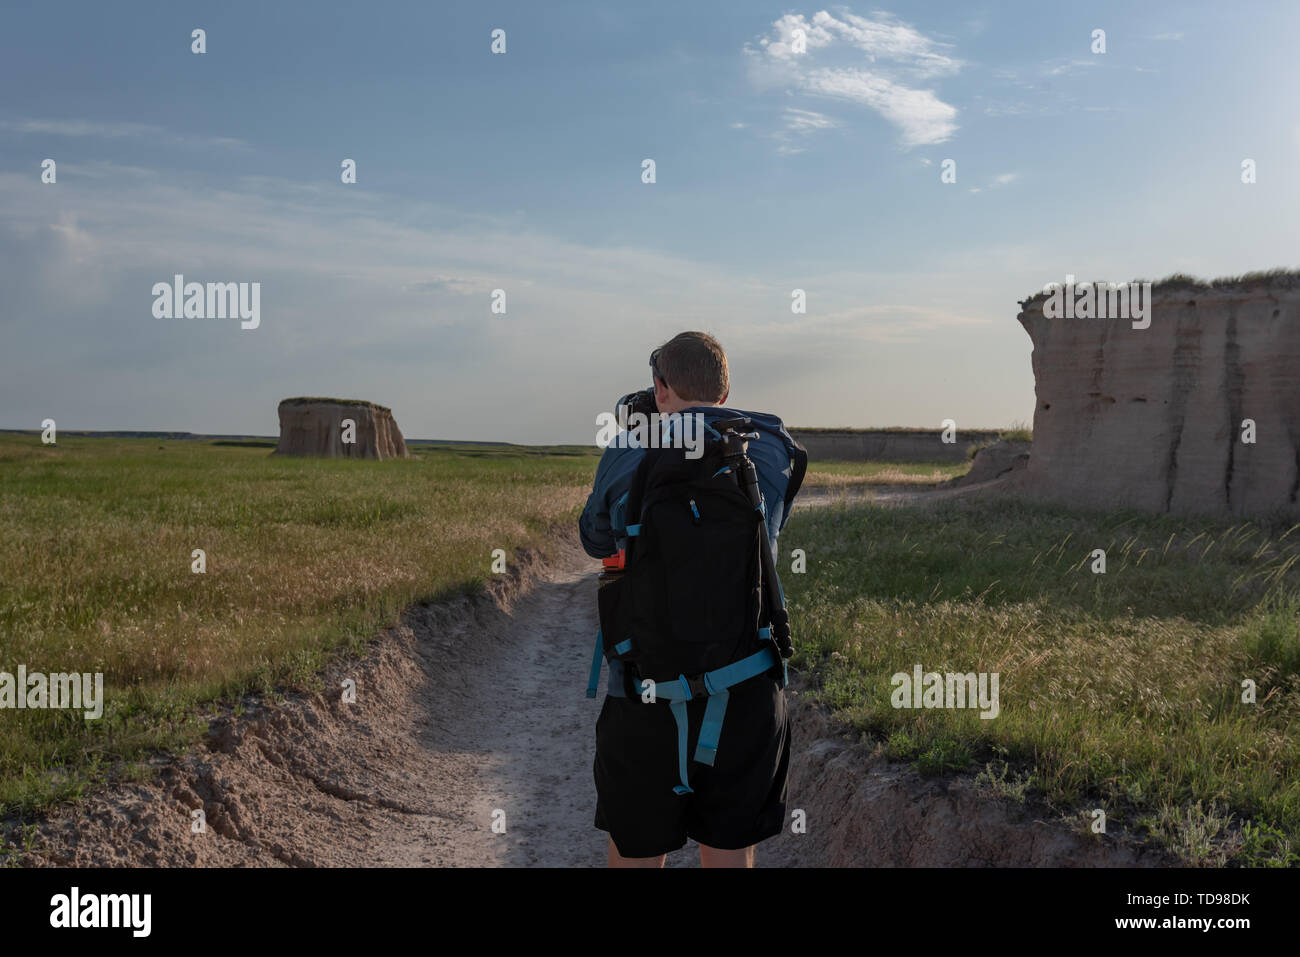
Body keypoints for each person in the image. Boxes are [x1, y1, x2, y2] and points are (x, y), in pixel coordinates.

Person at [579, 330, 804, 868]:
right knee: (729, 856)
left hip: (643, 692)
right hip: (746, 688)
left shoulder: (630, 446)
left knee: (636, 854)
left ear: (660, 387)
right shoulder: (769, 447)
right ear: (725, 393)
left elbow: (594, 539)